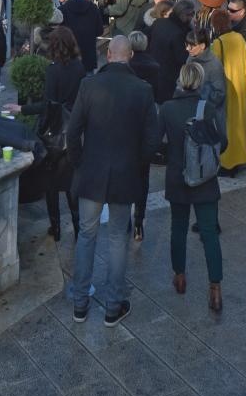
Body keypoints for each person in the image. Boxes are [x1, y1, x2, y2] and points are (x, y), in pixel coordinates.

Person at [65, 36, 159, 328]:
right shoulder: (143, 90)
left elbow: (73, 131)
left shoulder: (89, 85)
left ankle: (80, 303)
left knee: (86, 236)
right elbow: (152, 140)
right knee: (118, 238)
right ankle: (113, 305)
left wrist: (79, 161)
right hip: (124, 173)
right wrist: (137, 164)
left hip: (92, 172)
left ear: (108, 54)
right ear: (129, 56)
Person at [159, 62, 225, 312]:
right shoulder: (207, 108)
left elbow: (157, 141)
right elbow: (223, 141)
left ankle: (180, 276)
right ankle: (215, 288)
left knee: (178, 227)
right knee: (209, 233)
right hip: (205, 179)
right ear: (199, 82)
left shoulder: (167, 109)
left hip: (178, 177)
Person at [38, 27, 84, 241]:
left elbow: (49, 104)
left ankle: (55, 228)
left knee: (51, 183)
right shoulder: (79, 67)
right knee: (71, 182)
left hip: (55, 131)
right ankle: (77, 227)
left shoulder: (52, 70)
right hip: (74, 128)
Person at [210, 10, 246, 173]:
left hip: (226, 89)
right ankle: (240, 157)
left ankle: (228, 162)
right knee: (240, 123)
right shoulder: (239, 38)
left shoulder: (218, 43)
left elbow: (215, 70)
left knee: (227, 124)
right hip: (240, 89)